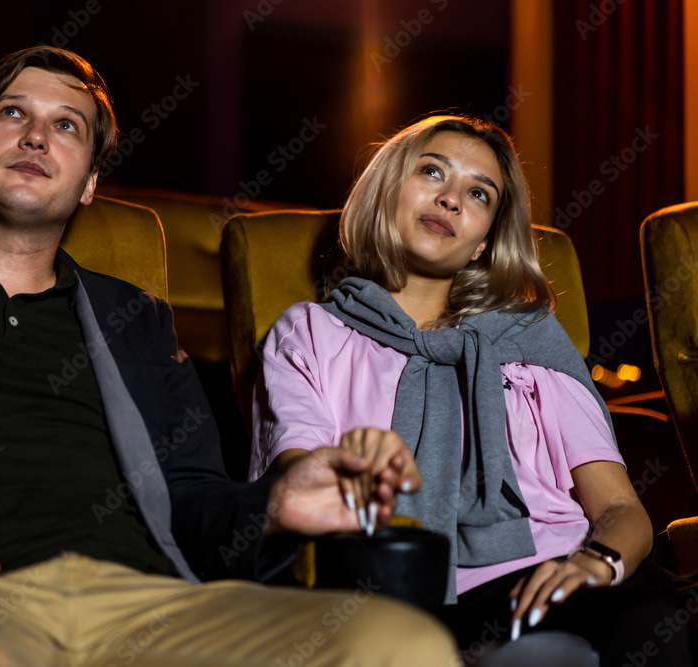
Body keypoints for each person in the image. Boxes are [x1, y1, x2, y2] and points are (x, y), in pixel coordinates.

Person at [0, 47, 458, 666]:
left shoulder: (136, 324)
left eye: (66, 125)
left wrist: (273, 505)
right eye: (13, 113)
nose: (37, 136)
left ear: (88, 184)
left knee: (398, 639)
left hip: (150, 604)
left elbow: (193, 502)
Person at [250, 115, 692, 664]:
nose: (451, 199)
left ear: (484, 243)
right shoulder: (311, 333)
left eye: (478, 193)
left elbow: (623, 509)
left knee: (652, 624)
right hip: (399, 590)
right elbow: (297, 491)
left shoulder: (530, 340)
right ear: (388, 189)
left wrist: (593, 564)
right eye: (432, 171)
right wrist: (350, 468)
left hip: (565, 576)